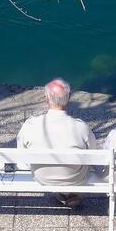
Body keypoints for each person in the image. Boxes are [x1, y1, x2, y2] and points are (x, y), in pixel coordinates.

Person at [17, 78, 97, 206]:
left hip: (42, 177)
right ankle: (69, 194)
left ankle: (59, 194)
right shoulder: (81, 126)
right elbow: (94, 155)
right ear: (69, 98)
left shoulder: (30, 125)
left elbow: (22, 162)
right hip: (75, 178)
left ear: (46, 99)